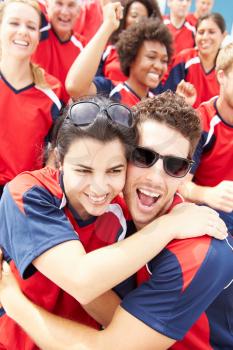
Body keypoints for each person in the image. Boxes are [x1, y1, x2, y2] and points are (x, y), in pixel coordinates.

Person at [0, 91, 232, 350]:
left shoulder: (195, 250)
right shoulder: (100, 205)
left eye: (174, 165)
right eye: (143, 156)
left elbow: (111, 333)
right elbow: (88, 286)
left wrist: (14, 302)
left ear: (186, 174)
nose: (155, 178)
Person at [0, 0, 64, 198]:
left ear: (38, 37)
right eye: (14, 23)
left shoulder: (52, 91)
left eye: (31, 26)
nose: (23, 31)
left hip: (26, 197)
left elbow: (54, 155)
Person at [66, 2, 172, 106]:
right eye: (151, 57)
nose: (158, 66)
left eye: (164, 60)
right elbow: (75, 87)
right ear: (131, 58)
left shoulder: (158, 105)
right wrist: (108, 25)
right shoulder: (110, 90)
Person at [179, 42, 233, 235]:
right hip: (204, 212)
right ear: (221, 76)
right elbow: (179, 184)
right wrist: (209, 194)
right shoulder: (202, 122)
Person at [164, 13, 226, 108]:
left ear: (223, 35)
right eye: (201, 32)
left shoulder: (227, 66)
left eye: (211, 32)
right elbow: (166, 99)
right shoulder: (184, 59)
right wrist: (179, 99)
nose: (205, 37)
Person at [32, 0, 85, 102]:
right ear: (47, 6)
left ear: (79, 11)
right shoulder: (37, 31)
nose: (64, 12)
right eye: (59, 3)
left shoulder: (83, 46)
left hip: (65, 114)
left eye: (71, 5)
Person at [97, 0, 162, 81]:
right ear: (124, 17)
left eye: (143, 18)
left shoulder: (155, 54)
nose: (138, 21)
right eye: (134, 15)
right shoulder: (109, 50)